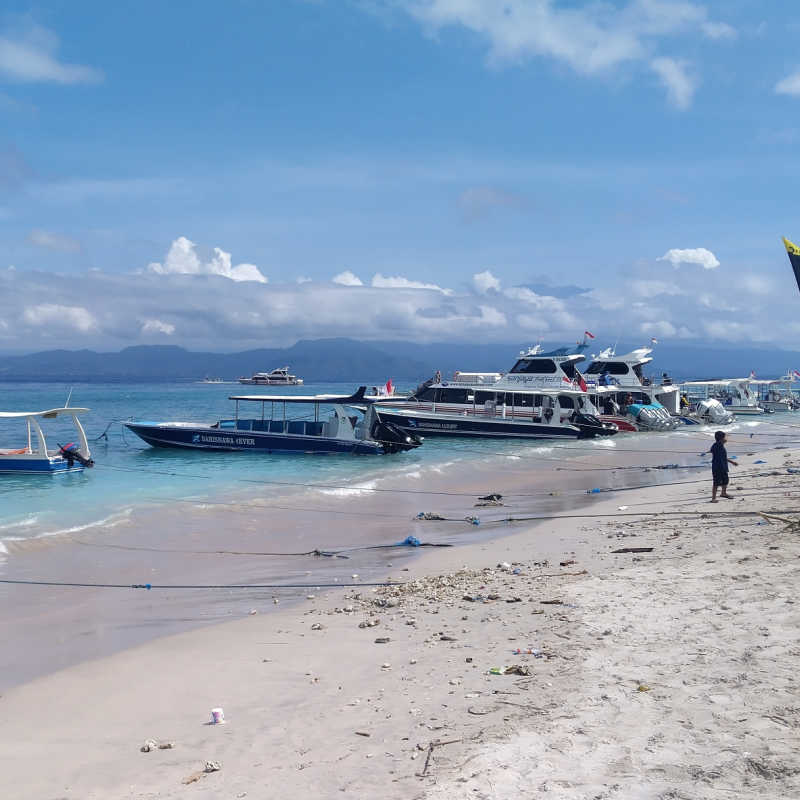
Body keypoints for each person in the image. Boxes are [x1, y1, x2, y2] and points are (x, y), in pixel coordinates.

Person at [709, 430, 737, 502]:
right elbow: (712, 450)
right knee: (716, 483)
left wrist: (732, 462)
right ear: (721, 439)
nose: (726, 439)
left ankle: (723, 493)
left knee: (725, 481)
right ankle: (713, 498)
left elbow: (723, 457)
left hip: (723, 466)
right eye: (724, 438)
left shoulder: (720, 445)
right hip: (717, 467)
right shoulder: (717, 445)